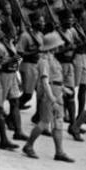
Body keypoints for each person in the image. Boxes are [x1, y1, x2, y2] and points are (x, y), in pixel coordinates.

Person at [22, 32, 74, 163]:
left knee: (58, 122)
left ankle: (59, 151)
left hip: (57, 91)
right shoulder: (43, 61)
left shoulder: (53, 59)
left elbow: (55, 78)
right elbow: (45, 82)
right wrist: (52, 99)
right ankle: (29, 145)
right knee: (44, 122)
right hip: (49, 94)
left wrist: (62, 89)